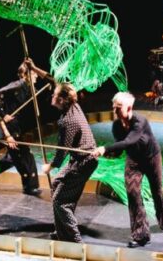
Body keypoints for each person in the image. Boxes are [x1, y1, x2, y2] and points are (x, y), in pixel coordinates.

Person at [93, 92, 163, 248]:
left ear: (129, 107)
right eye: (114, 107)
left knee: (157, 191)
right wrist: (104, 154)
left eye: (118, 107)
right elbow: (120, 149)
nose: (115, 110)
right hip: (134, 161)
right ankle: (141, 235)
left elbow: (129, 141)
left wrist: (105, 148)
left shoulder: (139, 122)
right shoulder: (116, 126)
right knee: (133, 194)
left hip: (151, 159)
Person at [41, 78, 98, 243]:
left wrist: (50, 166)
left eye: (54, 94)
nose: (52, 95)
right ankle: (61, 231)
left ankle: (74, 239)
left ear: (61, 99)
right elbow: (58, 83)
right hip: (78, 159)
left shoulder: (68, 121)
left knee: (60, 201)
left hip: (84, 162)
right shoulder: (74, 106)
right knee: (57, 185)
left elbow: (61, 151)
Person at [0, 58, 47, 196]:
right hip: (8, 128)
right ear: (25, 75)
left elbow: (44, 87)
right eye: (33, 74)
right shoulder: (17, 85)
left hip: (15, 127)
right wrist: (3, 115)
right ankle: (30, 187)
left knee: (14, 157)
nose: (36, 76)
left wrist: (47, 88)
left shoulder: (28, 88)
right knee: (25, 156)